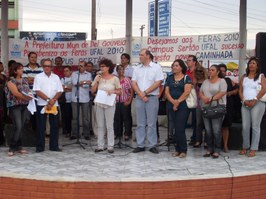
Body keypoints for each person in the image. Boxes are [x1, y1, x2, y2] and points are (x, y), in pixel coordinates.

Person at [131, 49, 164, 154]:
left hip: (152, 98)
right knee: (140, 123)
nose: (139, 57)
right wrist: (140, 94)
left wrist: (144, 92)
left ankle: (151, 145)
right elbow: (133, 82)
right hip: (140, 98)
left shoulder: (156, 67)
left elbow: (158, 82)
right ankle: (140, 145)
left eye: (141, 55)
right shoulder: (137, 68)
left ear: (148, 56)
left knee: (151, 123)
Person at [91, 59, 121, 153]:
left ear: (108, 67)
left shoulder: (115, 78)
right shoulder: (98, 77)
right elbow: (92, 91)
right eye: (100, 66)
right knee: (100, 125)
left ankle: (110, 146)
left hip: (110, 104)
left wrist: (112, 91)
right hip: (99, 103)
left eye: (103, 66)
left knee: (109, 125)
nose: (101, 68)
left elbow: (120, 91)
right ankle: (100, 146)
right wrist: (96, 81)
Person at [33, 59, 63, 152]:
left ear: (51, 67)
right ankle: (40, 147)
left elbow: (60, 91)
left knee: (54, 126)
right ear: (42, 66)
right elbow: (37, 90)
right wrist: (48, 100)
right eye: (45, 66)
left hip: (54, 104)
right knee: (41, 126)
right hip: (42, 104)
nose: (47, 67)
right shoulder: (38, 77)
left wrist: (53, 100)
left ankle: (54, 146)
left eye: (49, 66)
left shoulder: (56, 77)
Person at [239, 57, 266, 157]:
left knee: (255, 126)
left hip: (257, 103)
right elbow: (240, 91)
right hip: (245, 103)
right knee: (245, 126)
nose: (251, 65)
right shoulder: (244, 77)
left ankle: (254, 148)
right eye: (250, 63)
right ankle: (245, 146)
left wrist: (255, 99)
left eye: (253, 63)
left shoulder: (261, 76)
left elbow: (264, 89)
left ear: (257, 65)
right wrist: (244, 100)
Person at [165, 59, 193, 158]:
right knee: (175, 128)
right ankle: (177, 149)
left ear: (181, 67)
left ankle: (183, 150)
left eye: (176, 65)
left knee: (180, 128)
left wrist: (177, 102)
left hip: (183, 106)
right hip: (171, 105)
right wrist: (173, 102)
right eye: (173, 66)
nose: (174, 67)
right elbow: (167, 92)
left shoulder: (187, 78)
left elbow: (187, 92)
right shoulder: (169, 78)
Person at [199, 65, 227, 158]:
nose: (210, 71)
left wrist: (210, 99)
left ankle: (217, 149)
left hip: (216, 108)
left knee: (216, 130)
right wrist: (203, 98)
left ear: (218, 72)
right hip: (206, 107)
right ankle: (209, 148)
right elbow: (201, 92)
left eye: (212, 70)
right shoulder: (206, 81)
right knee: (208, 130)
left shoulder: (222, 81)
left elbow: (222, 92)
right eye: (209, 70)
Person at [5, 62, 32, 156]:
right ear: (15, 71)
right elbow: (16, 94)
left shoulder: (24, 80)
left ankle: (19, 146)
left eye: (22, 68)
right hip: (15, 106)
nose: (22, 70)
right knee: (18, 126)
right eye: (20, 68)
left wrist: (30, 96)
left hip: (25, 106)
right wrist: (27, 98)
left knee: (22, 126)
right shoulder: (10, 81)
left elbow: (28, 91)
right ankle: (12, 147)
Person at [219, 63, 239, 152]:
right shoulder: (213, 80)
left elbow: (237, 89)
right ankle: (215, 145)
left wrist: (230, 93)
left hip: (227, 105)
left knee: (225, 126)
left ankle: (225, 145)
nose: (222, 72)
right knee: (215, 127)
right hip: (216, 105)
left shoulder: (228, 80)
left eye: (224, 71)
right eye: (221, 71)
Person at [70, 61, 92, 140]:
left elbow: (88, 85)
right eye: (79, 66)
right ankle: (74, 134)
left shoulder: (88, 74)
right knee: (75, 117)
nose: (80, 67)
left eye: (82, 66)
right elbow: (75, 83)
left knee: (85, 117)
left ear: (85, 67)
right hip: (75, 98)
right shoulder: (74, 74)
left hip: (85, 98)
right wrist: (83, 82)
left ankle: (86, 134)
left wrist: (81, 83)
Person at [114, 65, 133, 141]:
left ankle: (127, 133)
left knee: (126, 118)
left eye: (122, 69)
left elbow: (131, 91)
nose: (121, 71)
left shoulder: (127, 80)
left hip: (125, 102)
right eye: (119, 69)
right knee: (117, 119)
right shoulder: (115, 80)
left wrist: (129, 101)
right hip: (116, 102)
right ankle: (118, 133)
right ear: (117, 71)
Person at [193, 65, 208, 148]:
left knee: (206, 124)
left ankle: (206, 141)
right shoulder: (195, 82)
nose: (199, 73)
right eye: (197, 71)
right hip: (198, 104)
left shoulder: (207, 81)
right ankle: (198, 140)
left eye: (201, 71)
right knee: (198, 123)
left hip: (206, 104)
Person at [186, 55, 197, 146]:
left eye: (189, 60)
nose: (188, 62)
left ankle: (195, 138)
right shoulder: (185, 72)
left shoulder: (199, 72)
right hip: (186, 97)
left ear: (194, 62)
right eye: (187, 60)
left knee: (195, 120)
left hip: (195, 97)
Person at [61, 66, 73, 137]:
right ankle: (68, 131)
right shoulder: (63, 79)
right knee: (67, 117)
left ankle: (74, 131)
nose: (65, 72)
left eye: (67, 70)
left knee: (74, 117)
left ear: (71, 71)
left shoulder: (73, 78)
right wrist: (70, 87)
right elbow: (62, 88)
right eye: (64, 71)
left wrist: (67, 87)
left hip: (73, 100)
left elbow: (74, 87)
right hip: (66, 101)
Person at [0, 61, 7, 145]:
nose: (2, 67)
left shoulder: (4, 77)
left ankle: (2, 139)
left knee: (2, 120)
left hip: (4, 100)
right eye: (1, 66)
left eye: (2, 66)